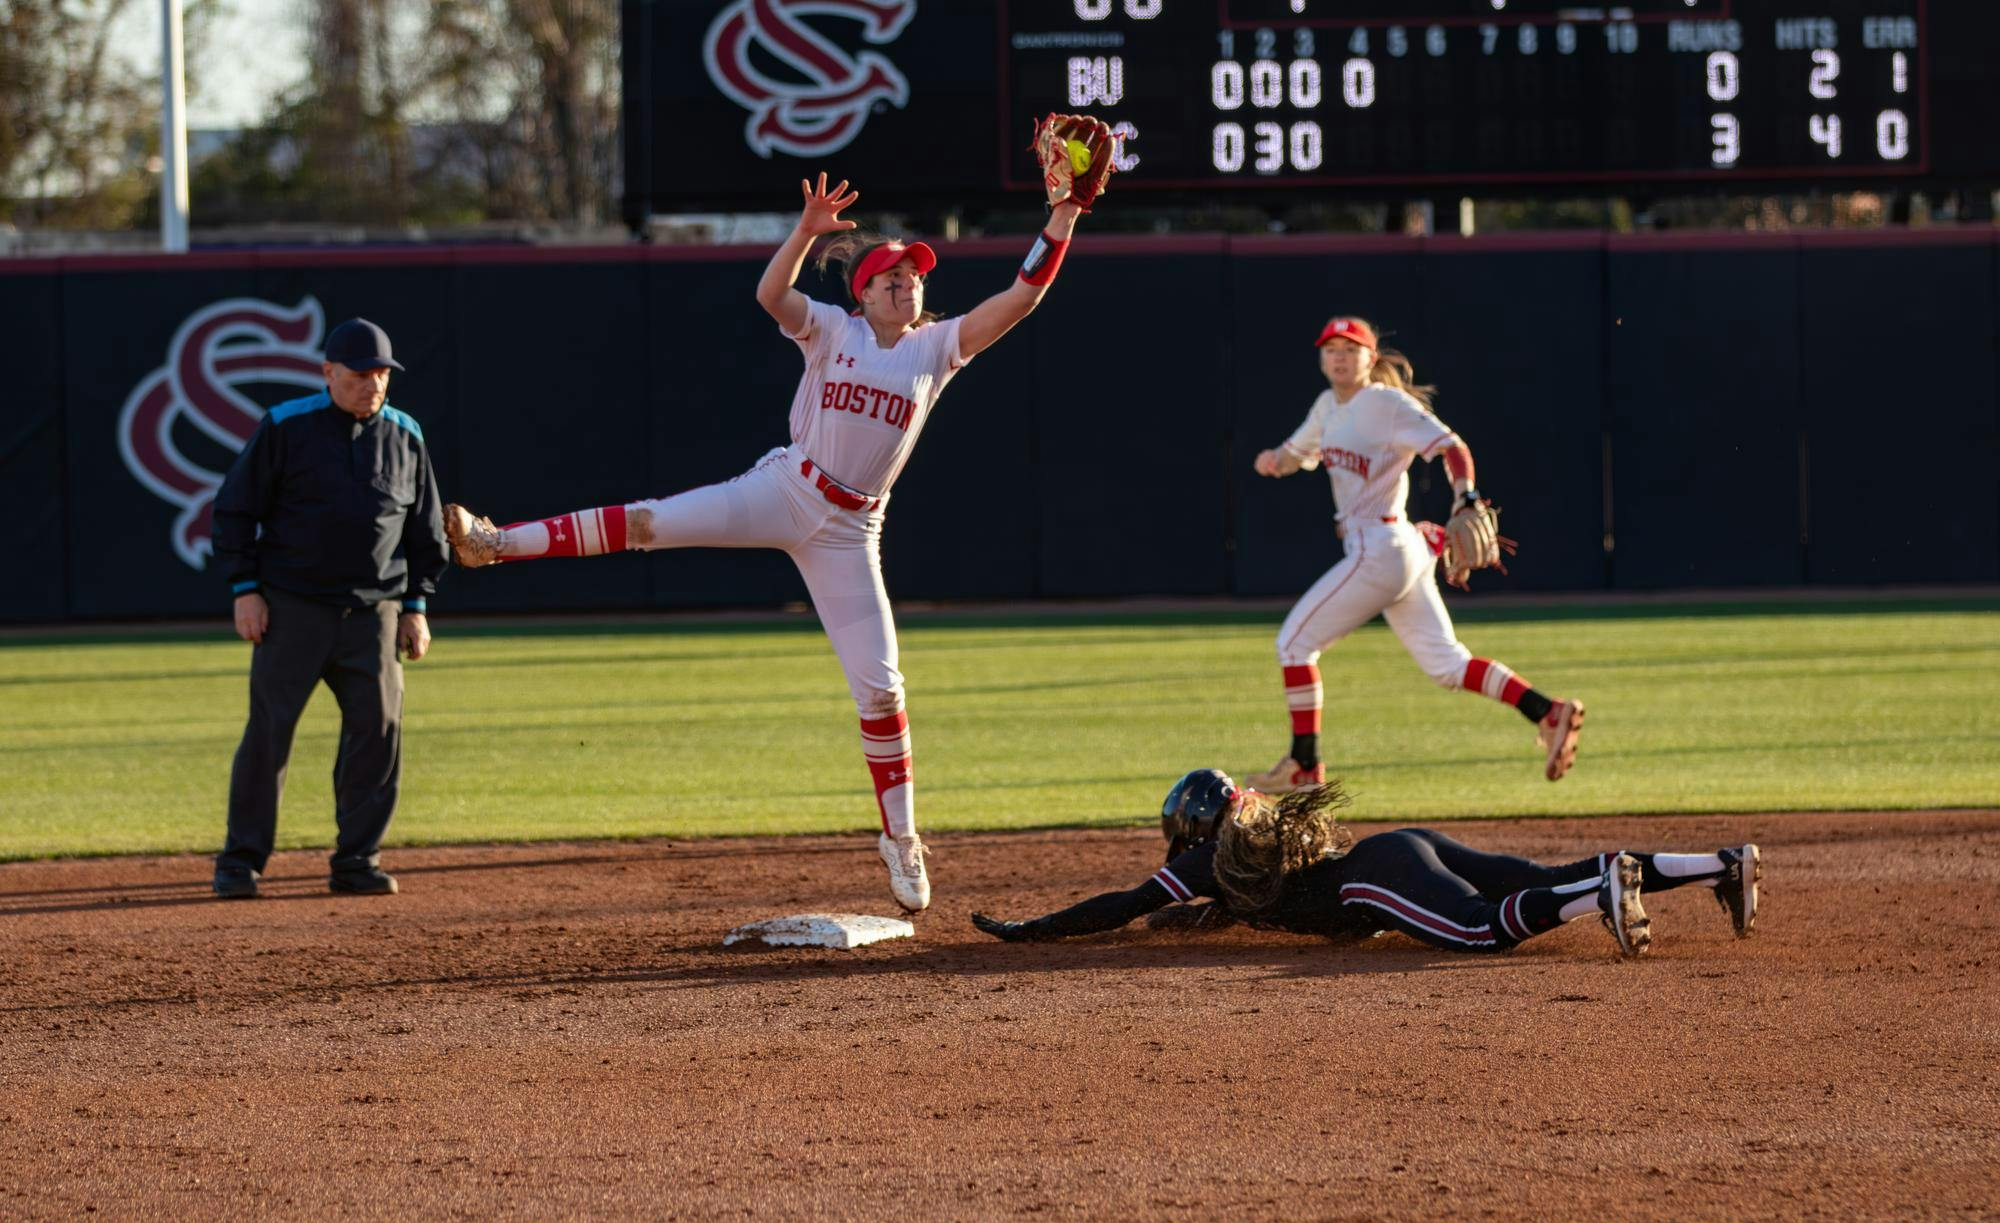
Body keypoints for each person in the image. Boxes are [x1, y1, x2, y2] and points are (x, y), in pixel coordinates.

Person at [438, 118, 1118, 915]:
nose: (907, 283)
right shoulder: (835, 330)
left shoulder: (936, 349)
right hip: (786, 487)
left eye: (914, 275)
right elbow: (769, 295)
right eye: (892, 275)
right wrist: (802, 233)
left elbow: (1023, 297)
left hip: (852, 530)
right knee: (652, 521)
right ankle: (494, 543)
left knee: (882, 687)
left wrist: (1062, 216)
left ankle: (900, 838)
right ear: (862, 290)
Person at [1245, 316, 1584, 790]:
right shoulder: (1327, 407)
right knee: (1449, 666)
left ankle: (1305, 764)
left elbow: (1452, 447)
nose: (1340, 357)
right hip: (1395, 549)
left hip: (1379, 548)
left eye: (1351, 349)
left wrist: (1465, 497)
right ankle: (1547, 711)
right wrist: (1274, 462)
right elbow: (1293, 453)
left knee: (1294, 643)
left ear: (1371, 359)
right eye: (1331, 349)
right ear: (1321, 358)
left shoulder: (1385, 404)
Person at [971, 769, 1761, 960]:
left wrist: (1029, 929)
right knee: (1535, 875)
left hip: (1373, 881)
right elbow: (1182, 910)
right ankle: (1719, 864)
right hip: (1398, 848)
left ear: (1196, 829)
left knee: (1482, 934)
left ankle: (1604, 894)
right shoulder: (1251, 843)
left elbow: (1122, 901)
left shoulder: (1219, 856)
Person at [210, 317, 449, 899]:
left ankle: (356, 860)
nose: (372, 384)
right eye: (360, 374)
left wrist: (417, 604)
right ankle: (242, 862)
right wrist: (245, 590)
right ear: (328, 373)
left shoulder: (405, 433)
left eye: (381, 375)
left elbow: (425, 530)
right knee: (270, 733)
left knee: (379, 731)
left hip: (375, 614)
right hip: (292, 609)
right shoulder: (286, 427)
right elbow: (234, 511)